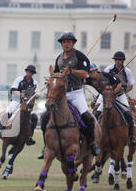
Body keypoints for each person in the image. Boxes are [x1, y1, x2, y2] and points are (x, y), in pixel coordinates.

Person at [38, 31, 99, 159]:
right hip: (62, 94)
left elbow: (85, 74)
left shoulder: (80, 56)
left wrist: (72, 71)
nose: (66, 44)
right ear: (61, 44)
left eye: (69, 42)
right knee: (44, 117)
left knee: (87, 117)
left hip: (76, 92)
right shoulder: (59, 59)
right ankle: (46, 146)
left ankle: (93, 143)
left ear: (73, 43)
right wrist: (51, 80)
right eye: (64, 42)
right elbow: (55, 75)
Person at [0, 65, 40, 146]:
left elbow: (38, 95)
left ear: (33, 73)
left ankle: (30, 137)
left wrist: (33, 95)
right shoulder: (19, 79)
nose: (30, 73)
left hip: (28, 104)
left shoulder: (35, 83)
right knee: (8, 112)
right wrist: (21, 95)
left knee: (34, 117)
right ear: (26, 71)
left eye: (31, 72)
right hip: (17, 101)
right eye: (29, 71)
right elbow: (13, 90)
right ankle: (0, 130)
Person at [103, 51, 136, 145]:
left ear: (123, 61)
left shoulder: (127, 71)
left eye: (120, 60)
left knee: (128, 112)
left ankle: (131, 135)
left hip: (120, 95)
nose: (118, 61)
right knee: (97, 110)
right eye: (117, 60)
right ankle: (95, 134)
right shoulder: (108, 69)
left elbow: (130, 86)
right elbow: (103, 81)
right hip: (108, 95)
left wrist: (123, 90)